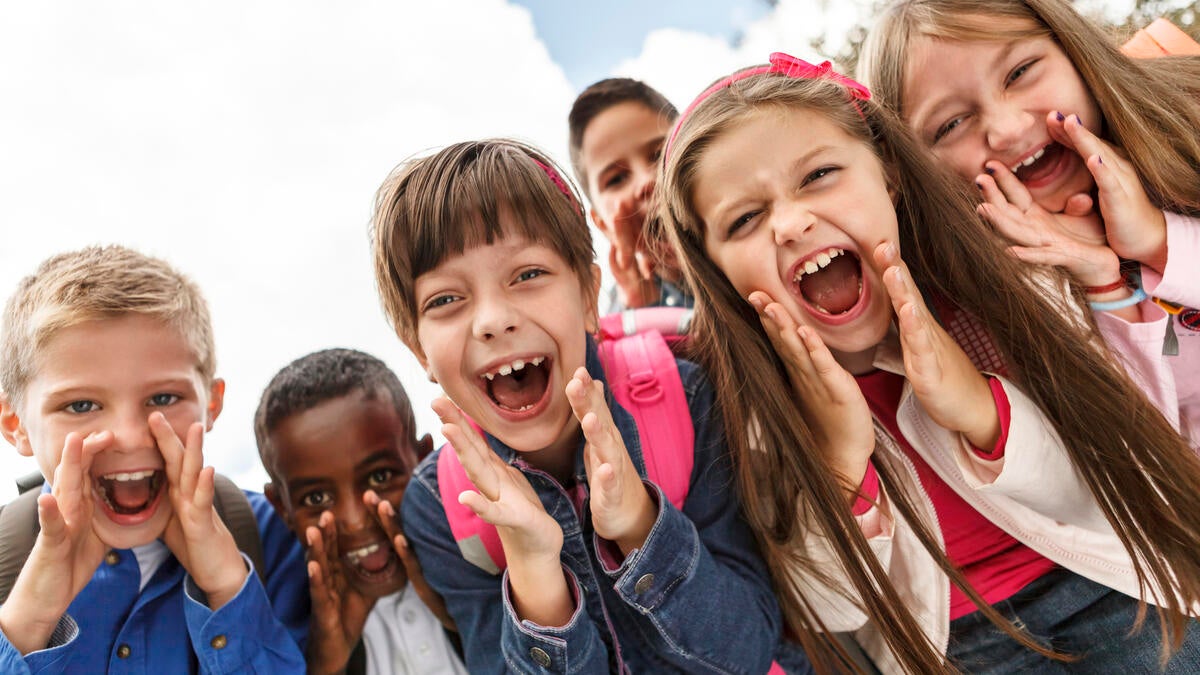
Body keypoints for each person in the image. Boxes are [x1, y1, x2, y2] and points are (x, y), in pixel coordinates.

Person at [656, 53, 1200, 673]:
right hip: (949, 651)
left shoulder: (1004, 285)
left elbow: (1126, 469)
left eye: (820, 175)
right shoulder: (753, 408)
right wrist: (841, 467)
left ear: (886, 171)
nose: (790, 223)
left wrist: (981, 410)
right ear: (718, 269)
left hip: (1118, 591)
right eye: (745, 220)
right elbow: (828, 607)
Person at [369, 138, 791, 673]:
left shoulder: (687, 397)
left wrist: (641, 527)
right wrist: (534, 572)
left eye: (527, 275)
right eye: (446, 300)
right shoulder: (442, 507)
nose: (492, 320)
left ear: (590, 296)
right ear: (418, 350)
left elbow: (750, 646)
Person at [857, 0, 1200, 444]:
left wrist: (1157, 239)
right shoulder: (984, 313)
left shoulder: (1187, 114)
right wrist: (1103, 285)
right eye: (952, 124)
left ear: (1073, 49)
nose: (1007, 130)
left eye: (1019, 73)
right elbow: (1148, 453)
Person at [0, 245, 307, 673]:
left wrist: (227, 587)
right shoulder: (4, 552)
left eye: (163, 398)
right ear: (15, 423)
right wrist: (27, 621)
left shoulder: (265, 532)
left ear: (212, 404)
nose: (128, 437)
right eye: (81, 405)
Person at [255, 347, 467, 675]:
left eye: (380, 477)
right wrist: (325, 662)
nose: (355, 522)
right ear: (283, 509)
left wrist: (468, 620)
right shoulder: (285, 628)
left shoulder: (489, 568)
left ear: (425, 461)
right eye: (315, 499)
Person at [568, 77, 694, 312]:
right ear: (604, 226)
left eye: (658, 155)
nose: (647, 180)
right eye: (616, 179)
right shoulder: (622, 320)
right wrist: (644, 311)